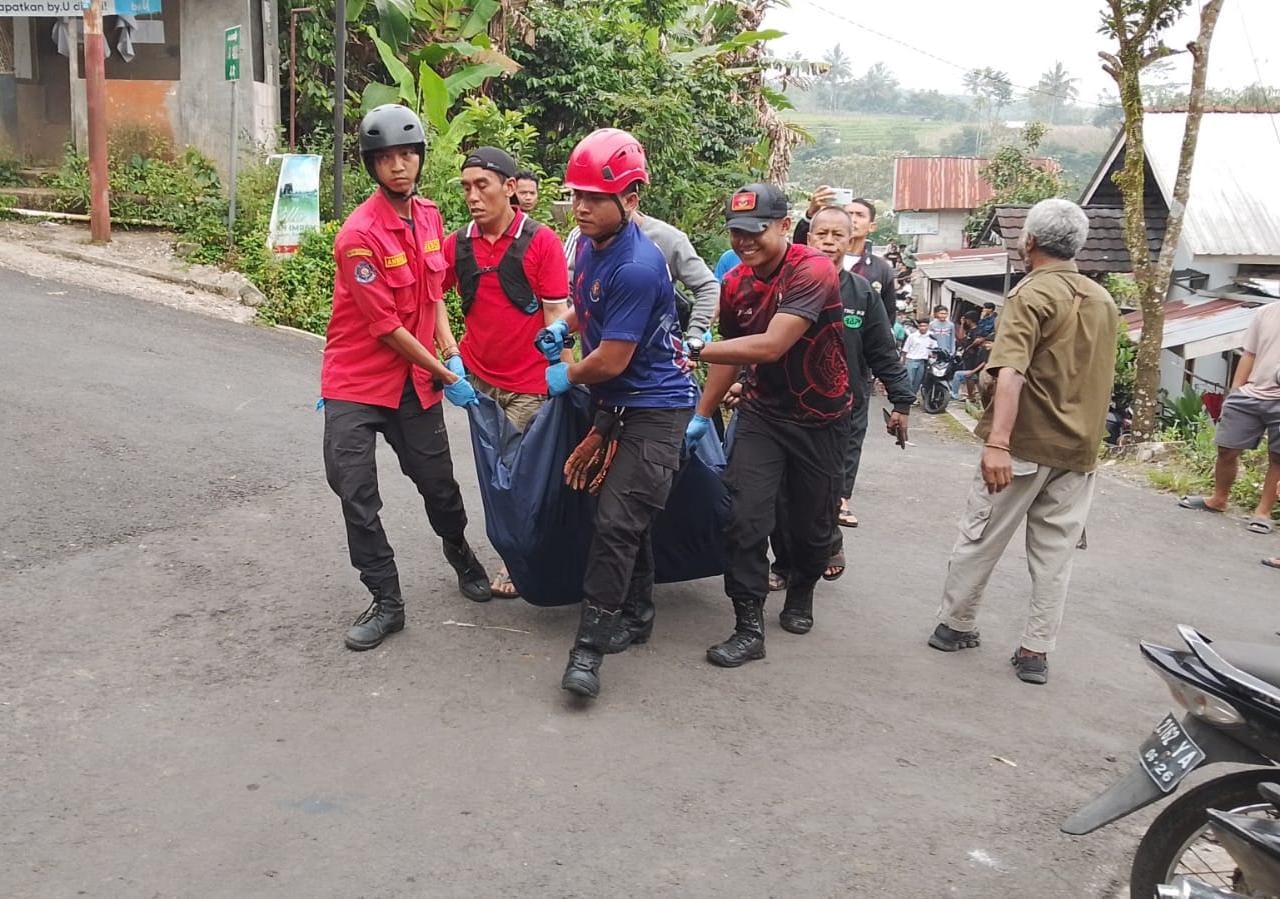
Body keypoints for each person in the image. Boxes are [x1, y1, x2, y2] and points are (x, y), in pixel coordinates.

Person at [320, 104, 491, 652]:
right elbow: (386, 327)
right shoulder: (357, 236)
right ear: (371, 165)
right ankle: (386, 599)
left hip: (415, 380)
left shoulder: (433, 217)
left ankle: (460, 551)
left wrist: (450, 348)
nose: (399, 167)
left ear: (419, 159)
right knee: (354, 490)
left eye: (408, 155)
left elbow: (434, 293)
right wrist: (447, 373)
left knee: (439, 484)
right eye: (387, 158)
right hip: (355, 381)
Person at [927, 198, 1118, 685]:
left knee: (981, 537)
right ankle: (1036, 650)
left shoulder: (1031, 295)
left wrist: (997, 443)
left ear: (1029, 241)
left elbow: (1009, 371)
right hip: (1079, 452)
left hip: (1024, 445)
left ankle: (955, 625)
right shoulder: (1103, 301)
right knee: (1054, 555)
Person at [535, 128, 696, 699]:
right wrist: (564, 327)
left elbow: (610, 359)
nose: (580, 207)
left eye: (594, 197)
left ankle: (589, 648)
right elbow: (586, 305)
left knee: (615, 520)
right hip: (619, 400)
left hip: (657, 405)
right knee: (623, 513)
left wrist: (567, 373)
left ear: (629, 199)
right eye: (576, 194)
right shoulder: (587, 247)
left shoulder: (638, 265)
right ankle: (639, 612)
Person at [687, 182, 851, 667]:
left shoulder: (812, 269)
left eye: (756, 231)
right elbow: (731, 359)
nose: (745, 241)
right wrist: (702, 414)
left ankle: (802, 590)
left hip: (821, 419)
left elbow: (771, 345)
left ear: (784, 226)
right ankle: (748, 626)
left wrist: (694, 347)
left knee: (812, 525)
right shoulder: (735, 283)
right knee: (745, 518)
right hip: (763, 413)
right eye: (736, 232)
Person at [441, 146, 571, 599]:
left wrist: (565, 376)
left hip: (530, 386)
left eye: (483, 185)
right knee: (493, 472)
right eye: (467, 187)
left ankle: (517, 561)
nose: (473, 196)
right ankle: (517, 548)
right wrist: (448, 353)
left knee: (516, 476)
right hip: (477, 382)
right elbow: (433, 296)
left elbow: (558, 313)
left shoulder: (542, 242)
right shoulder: (457, 243)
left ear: (510, 188)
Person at [768, 205, 912, 591]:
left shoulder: (862, 293)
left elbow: (882, 350)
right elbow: (761, 340)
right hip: (784, 406)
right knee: (780, 497)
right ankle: (783, 563)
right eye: (821, 234)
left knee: (823, 494)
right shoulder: (786, 284)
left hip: (841, 412)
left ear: (851, 242)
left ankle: (823, 548)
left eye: (837, 236)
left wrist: (901, 402)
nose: (829, 242)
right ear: (807, 238)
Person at [1178, 297, 1280, 534]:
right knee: (1226, 449)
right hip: (1251, 393)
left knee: (1278, 458)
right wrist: (1235, 391)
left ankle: (1262, 513)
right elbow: (1249, 354)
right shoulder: (1266, 313)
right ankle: (1219, 499)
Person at [568, 209, 718, 348]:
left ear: (629, 201)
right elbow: (571, 295)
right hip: (599, 354)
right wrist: (560, 329)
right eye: (579, 195)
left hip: (658, 358)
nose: (584, 208)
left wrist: (696, 335)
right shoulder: (582, 237)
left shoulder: (667, 239)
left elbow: (708, 286)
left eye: (597, 199)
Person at [796, 188, 897, 323]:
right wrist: (810, 214)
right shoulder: (820, 257)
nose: (853, 219)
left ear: (872, 226)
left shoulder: (881, 269)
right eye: (849, 214)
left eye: (860, 215)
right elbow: (798, 248)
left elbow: (887, 318)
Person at [902, 319, 936, 398]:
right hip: (911, 360)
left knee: (918, 381)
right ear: (918, 327)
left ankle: (912, 397)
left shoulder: (931, 336)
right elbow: (905, 350)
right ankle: (908, 396)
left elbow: (934, 348)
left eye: (925, 326)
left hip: (923, 362)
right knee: (910, 380)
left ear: (928, 327)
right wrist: (903, 362)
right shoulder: (912, 336)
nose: (923, 328)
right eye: (921, 326)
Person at [951, 336, 989, 401]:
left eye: (978, 338)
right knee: (958, 374)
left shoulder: (985, 349)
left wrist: (973, 371)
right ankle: (955, 394)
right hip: (973, 370)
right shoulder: (976, 348)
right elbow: (966, 350)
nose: (976, 339)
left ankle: (969, 396)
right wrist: (973, 344)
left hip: (979, 371)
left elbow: (984, 362)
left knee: (962, 375)